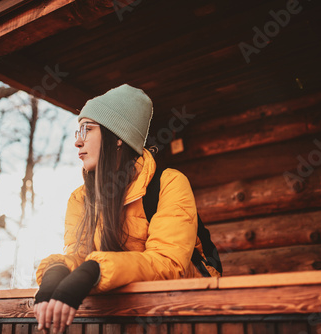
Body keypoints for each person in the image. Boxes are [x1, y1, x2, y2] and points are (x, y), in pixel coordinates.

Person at [33, 84, 220, 333]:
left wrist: (94, 269)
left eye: (87, 129)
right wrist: (56, 272)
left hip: (188, 314)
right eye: (78, 131)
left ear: (117, 136)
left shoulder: (169, 183)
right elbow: (79, 254)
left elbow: (168, 264)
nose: (77, 141)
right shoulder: (80, 199)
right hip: (126, 316)